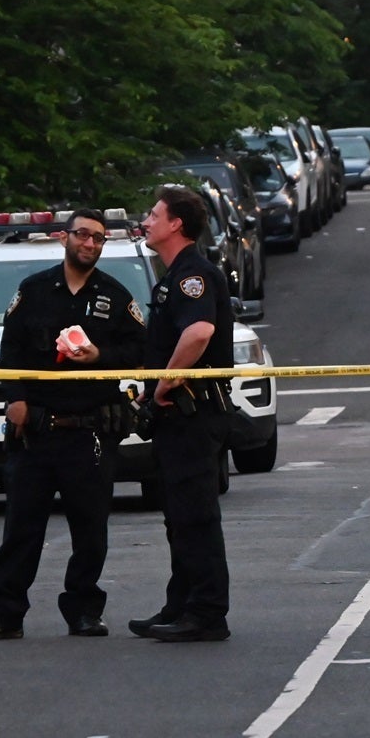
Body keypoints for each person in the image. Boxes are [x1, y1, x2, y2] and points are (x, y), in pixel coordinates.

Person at [0, 208, 147, 641]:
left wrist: (99, 357)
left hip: (89, 433)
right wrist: (15, 399)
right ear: (64, 238)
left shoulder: (114, 295)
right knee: (22, 528)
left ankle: (84, 609)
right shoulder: (33, 292)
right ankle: (5, 612)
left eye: (99, 239)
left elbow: (141, 349)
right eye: (83, 235)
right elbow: (10, 351)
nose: (90, 244)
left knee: (90, 530)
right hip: (36, 431)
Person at [129, 185, 235, 644]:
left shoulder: (194, 275)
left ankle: (208, 612)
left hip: (194, 413)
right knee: (178, 515)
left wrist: (166, 382)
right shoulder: (171, 277)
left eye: (154, 214)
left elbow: (199, 332)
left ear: (176, 224)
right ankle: (182, 602)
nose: (147, 221)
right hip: (178, 419)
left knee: (195, 515)